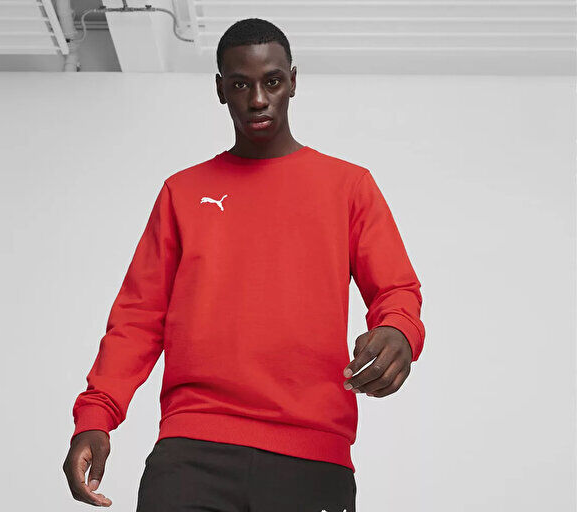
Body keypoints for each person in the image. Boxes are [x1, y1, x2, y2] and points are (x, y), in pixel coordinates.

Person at [62, 17, 425, 512]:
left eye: (272, 81)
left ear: (293, 81)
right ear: (220, 90)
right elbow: (138, 318)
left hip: (312, 459)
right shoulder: (182, 193)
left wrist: (398, 331)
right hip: (192, 453)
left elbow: (396, 290)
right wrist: (96, 416)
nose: (257, 99)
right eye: (240, 85)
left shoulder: (349, 187)